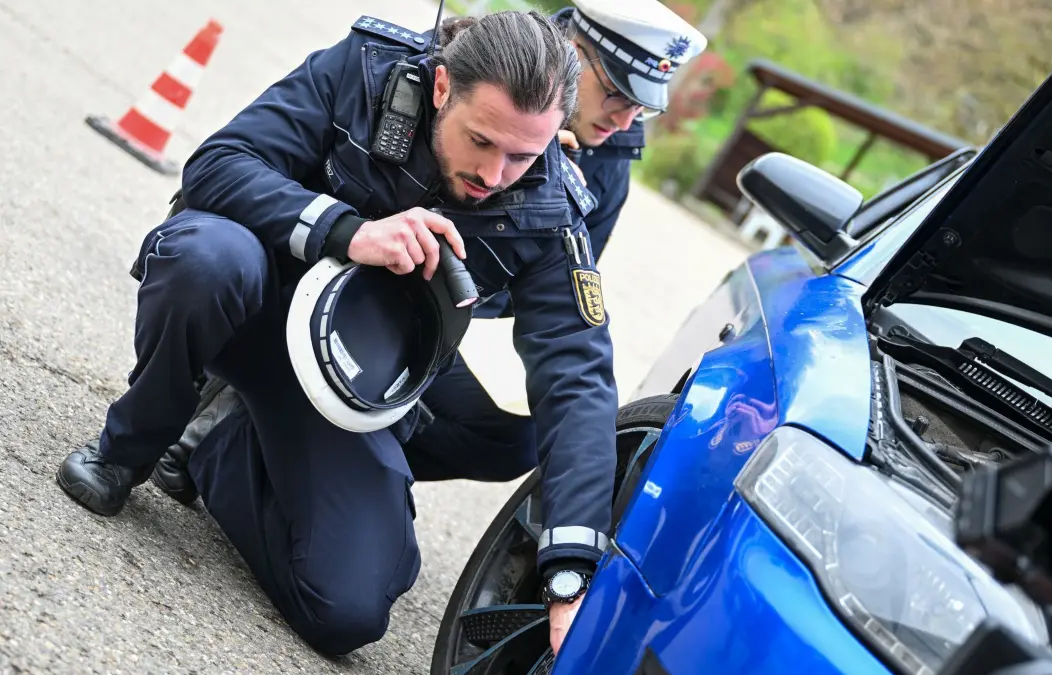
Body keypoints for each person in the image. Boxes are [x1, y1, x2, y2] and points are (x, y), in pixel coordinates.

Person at [54, 11, 617, 658]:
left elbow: (579, 379)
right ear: (441, 89)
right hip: (254, 296)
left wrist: (571, 567)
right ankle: (130, 445)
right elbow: (217, 164)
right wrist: (347, 230)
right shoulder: (369, 69)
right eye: (481, 141)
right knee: (206, 259)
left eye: (523, 154)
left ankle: (224, 445)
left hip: (348, 379)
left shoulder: (554, 209)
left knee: (347, 610)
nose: (495, 175)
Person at [398, 0, 708, 492]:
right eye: (615, 94)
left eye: (642, 106)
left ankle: (356, 467)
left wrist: (535, 221)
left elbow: (548, 306)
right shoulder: (477, 65)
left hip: (427, 314)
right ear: (572, 50)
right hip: (349, 264)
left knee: (513, 444)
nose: (625, 121)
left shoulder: (609, 160)